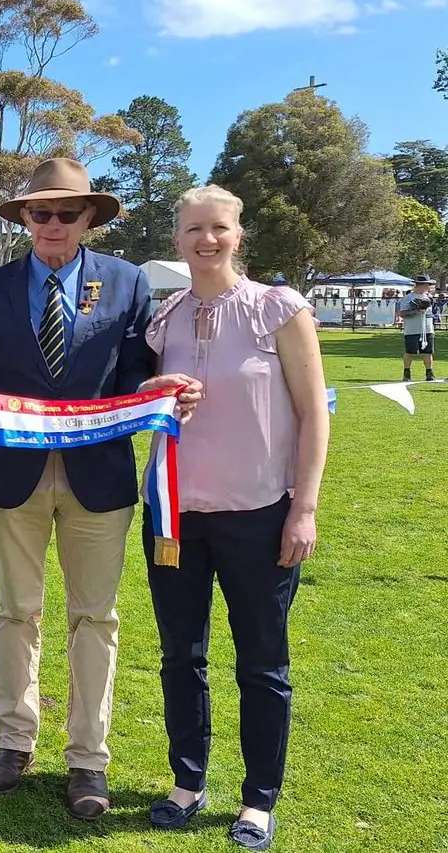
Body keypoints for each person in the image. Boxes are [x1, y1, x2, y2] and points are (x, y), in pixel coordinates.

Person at [0, 158, 201, 820]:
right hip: (13, 473)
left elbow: (133, 367)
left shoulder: (125, 284)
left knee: (95, 616)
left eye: (68, 212)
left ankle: (88, 758)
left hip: (100, 476)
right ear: (24, 220)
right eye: (41, 213)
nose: (54, 224)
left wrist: (151, 388)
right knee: (17, 611)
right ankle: (13, 742)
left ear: (89, 217)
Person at [140, 185, 329, 851]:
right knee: (180, 656)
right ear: (178, 239)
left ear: (238, 234)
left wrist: (302, 509)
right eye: (194, 229)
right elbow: (148, 399)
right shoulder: (163, 318)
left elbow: (314, 415)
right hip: (174, 518)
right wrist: (151, 394)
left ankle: (257, 799)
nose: (206, 239)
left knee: (261, 663)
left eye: (218, 227)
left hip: (260, 516)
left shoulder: (279, 309)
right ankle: (187, 782)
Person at [396, 275, 436, 382]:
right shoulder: (408, 298)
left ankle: (429, 372)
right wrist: (415, 311)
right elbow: (402, 313)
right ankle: (407, 373)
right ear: (421, 285)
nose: (428, 287)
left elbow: (431, 313)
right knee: (410, 352)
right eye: (427, 284)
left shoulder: (429, 297)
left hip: (427, 329)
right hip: (412, 329)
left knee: (428, 352)